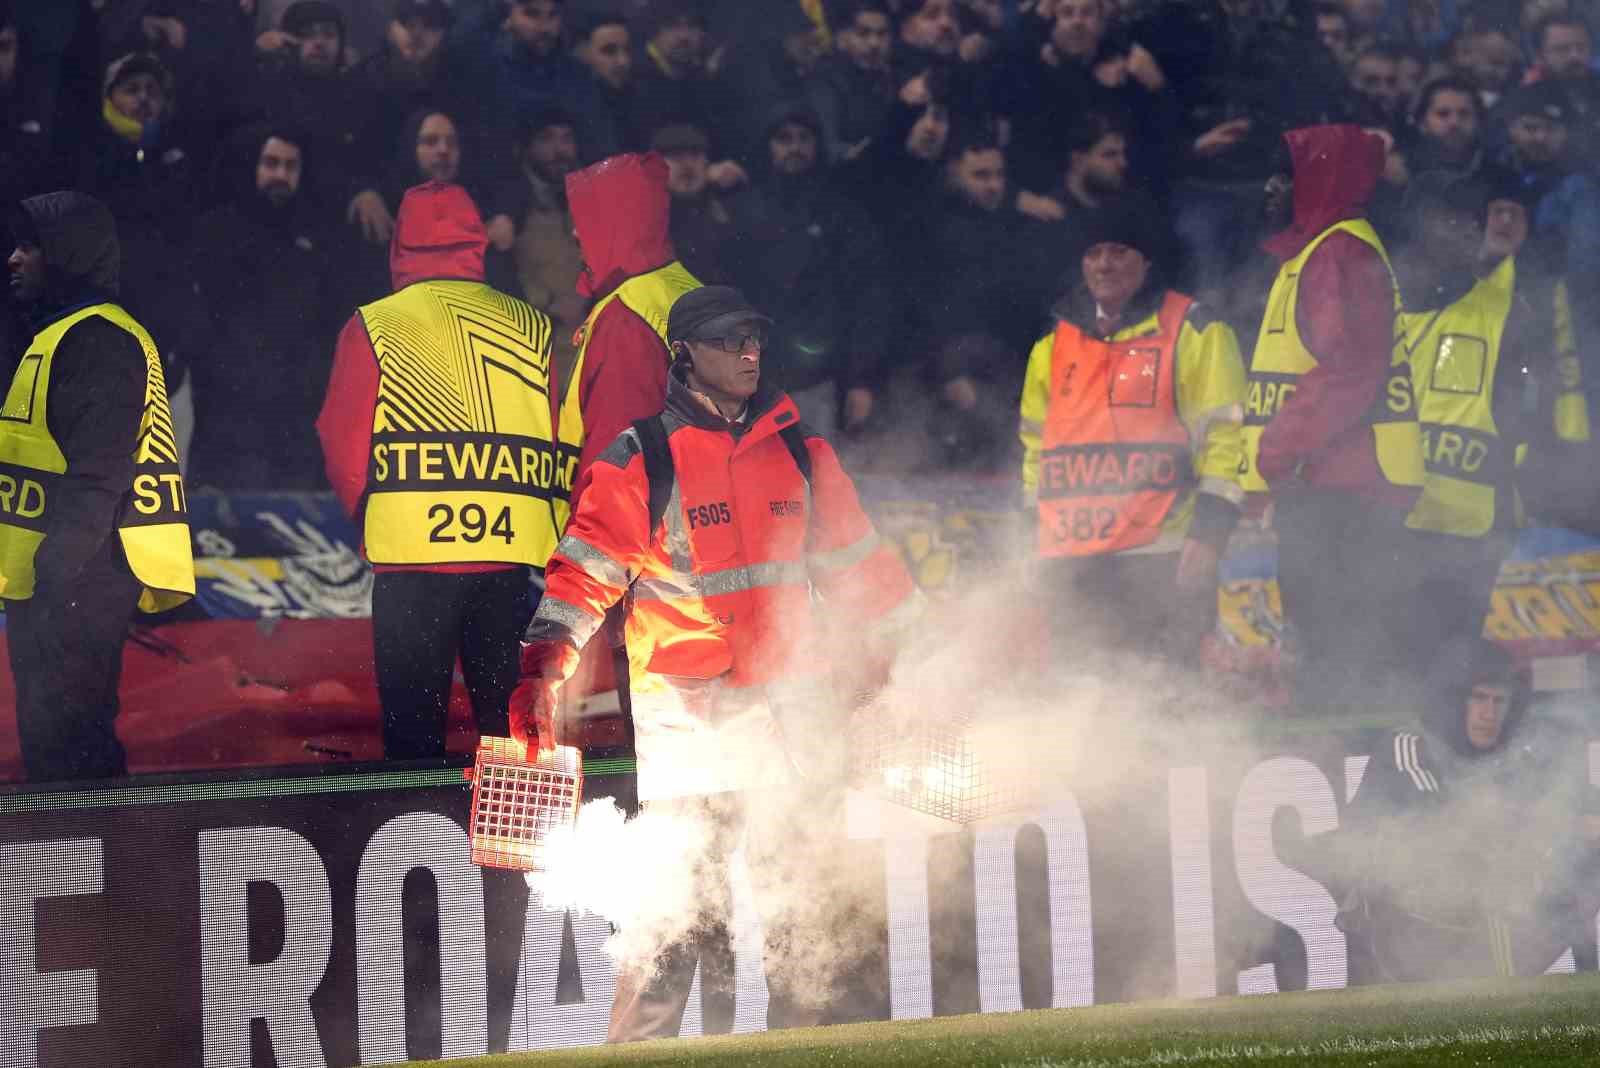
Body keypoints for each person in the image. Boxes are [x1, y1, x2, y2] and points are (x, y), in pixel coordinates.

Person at [509, 284, 919, 1040]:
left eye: (755, 338)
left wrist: (926, 660)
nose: (750, 353)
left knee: (811, 940)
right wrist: (542, 667)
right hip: (691, 738)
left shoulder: (802, 450)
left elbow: (865, 571)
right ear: (685, 353)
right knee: (669, 940)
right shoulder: (642, 457)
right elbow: (584, 573)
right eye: (730, 340)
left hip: (793, 733)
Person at [315, 181, 558, 761]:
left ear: (401, 242)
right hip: (509, 562)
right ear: (476, 239)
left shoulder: (375, 325)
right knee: (512, 734)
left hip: (411, 562)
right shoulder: (531, 326)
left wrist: (369, 513)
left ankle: (417, 844)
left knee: (413, 734)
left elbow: (340, 439)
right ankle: (517, 850)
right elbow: (555, 436)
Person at [0, 191, 194, 781]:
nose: (13, 258)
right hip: (61, 575)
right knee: (56, 741)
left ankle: (95, 870)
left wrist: (53, 580)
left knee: (72, 746)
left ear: (66, 253)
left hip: (78, 577)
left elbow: (95, 475)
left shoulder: (99, 340)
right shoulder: (62, 333)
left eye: (30, 246)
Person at [1239, 125, 1425, 717]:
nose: (1273, 188)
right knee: (1335, 651)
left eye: (1289, 175)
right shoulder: (1322, 250)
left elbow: (1346, 366)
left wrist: (1277, 449)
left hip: (1341, 491)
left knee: (1339, 656)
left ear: (1323, 178)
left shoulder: (1337, 249)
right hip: (1328, 484)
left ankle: (1354, 795)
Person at [1019, 200, 1246, 664]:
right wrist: (1030, 537)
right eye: (1094, 252)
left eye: (1119, 251)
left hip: (1162, 559)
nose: (1103, 264)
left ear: (1146, 260)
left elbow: (1226, 442)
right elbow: (1034, 453)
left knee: (1166, 702)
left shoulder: (1194, 331)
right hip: (1073, 561)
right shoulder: (1051, 345)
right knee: (1077, 702)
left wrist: (1209, 536)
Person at [1393, 172, 1590, 670]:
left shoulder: (1523, 306)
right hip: (1397, 513)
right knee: (1394, 653)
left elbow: (1541, 401)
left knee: (1455, 654)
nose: (1500, 223)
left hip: (1475, 517)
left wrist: (1529, 479)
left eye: (1513, 214)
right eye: (1492, 212)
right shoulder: (1399, 294)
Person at [1325, 637, 1596, 982]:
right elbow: (1447, 825)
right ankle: (1501, 1004)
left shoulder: (1508, 757)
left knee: (1577, 886)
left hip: (1464, 923)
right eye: (1479, 698)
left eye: (1500, 701)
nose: (1490, 713)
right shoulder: (1408, 746)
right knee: (1492, 881)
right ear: (1455, 701)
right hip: (1396, 921)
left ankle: (1571, 1002)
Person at [186, 123, 336, 490]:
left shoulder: (317, 236)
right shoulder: (216, 230)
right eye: (271, 163)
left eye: (290, 166)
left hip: (295, 415)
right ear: (253, 167)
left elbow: (325, 322)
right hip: (229, 412)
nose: (280, 175)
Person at [737, 103, 890, 436]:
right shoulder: (743, 212)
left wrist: (861, 380)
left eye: (804, 138)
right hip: (752, 383)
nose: (794, 148)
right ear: (768, 146)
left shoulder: (843, 214)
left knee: (817, 481)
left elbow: (867, 299)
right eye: (784, 138)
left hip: (820, 382)